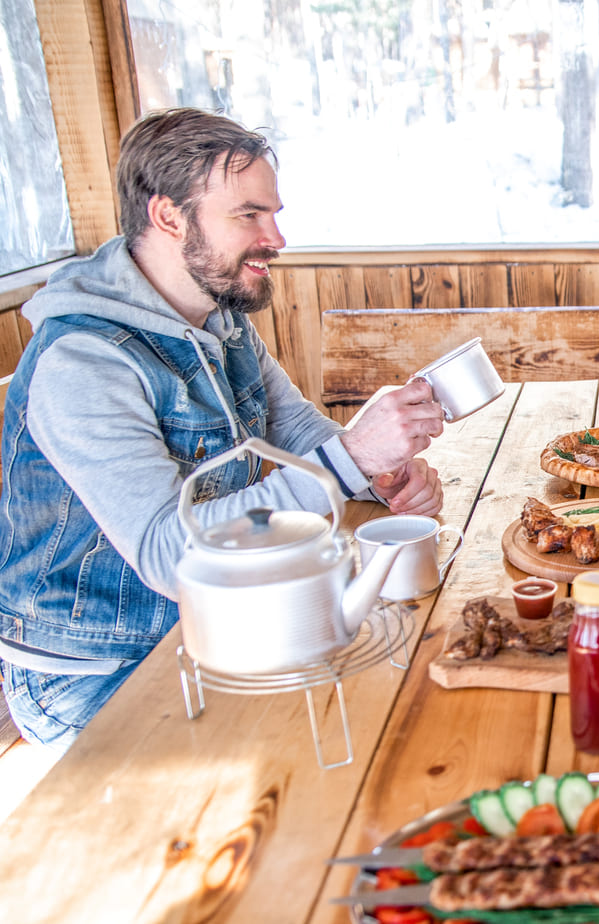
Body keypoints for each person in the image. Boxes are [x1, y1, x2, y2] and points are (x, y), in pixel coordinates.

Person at [0, 109, 448, 753]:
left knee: (400, 703)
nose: (277, 237)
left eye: (274, 213)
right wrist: (351, 459)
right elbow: (165, 553)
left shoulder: (218, 317)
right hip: (101, 672)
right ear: (168, 216)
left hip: (220, 624)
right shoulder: (83, 361)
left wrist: (384, 476)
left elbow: (296, 431)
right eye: (249, 215)